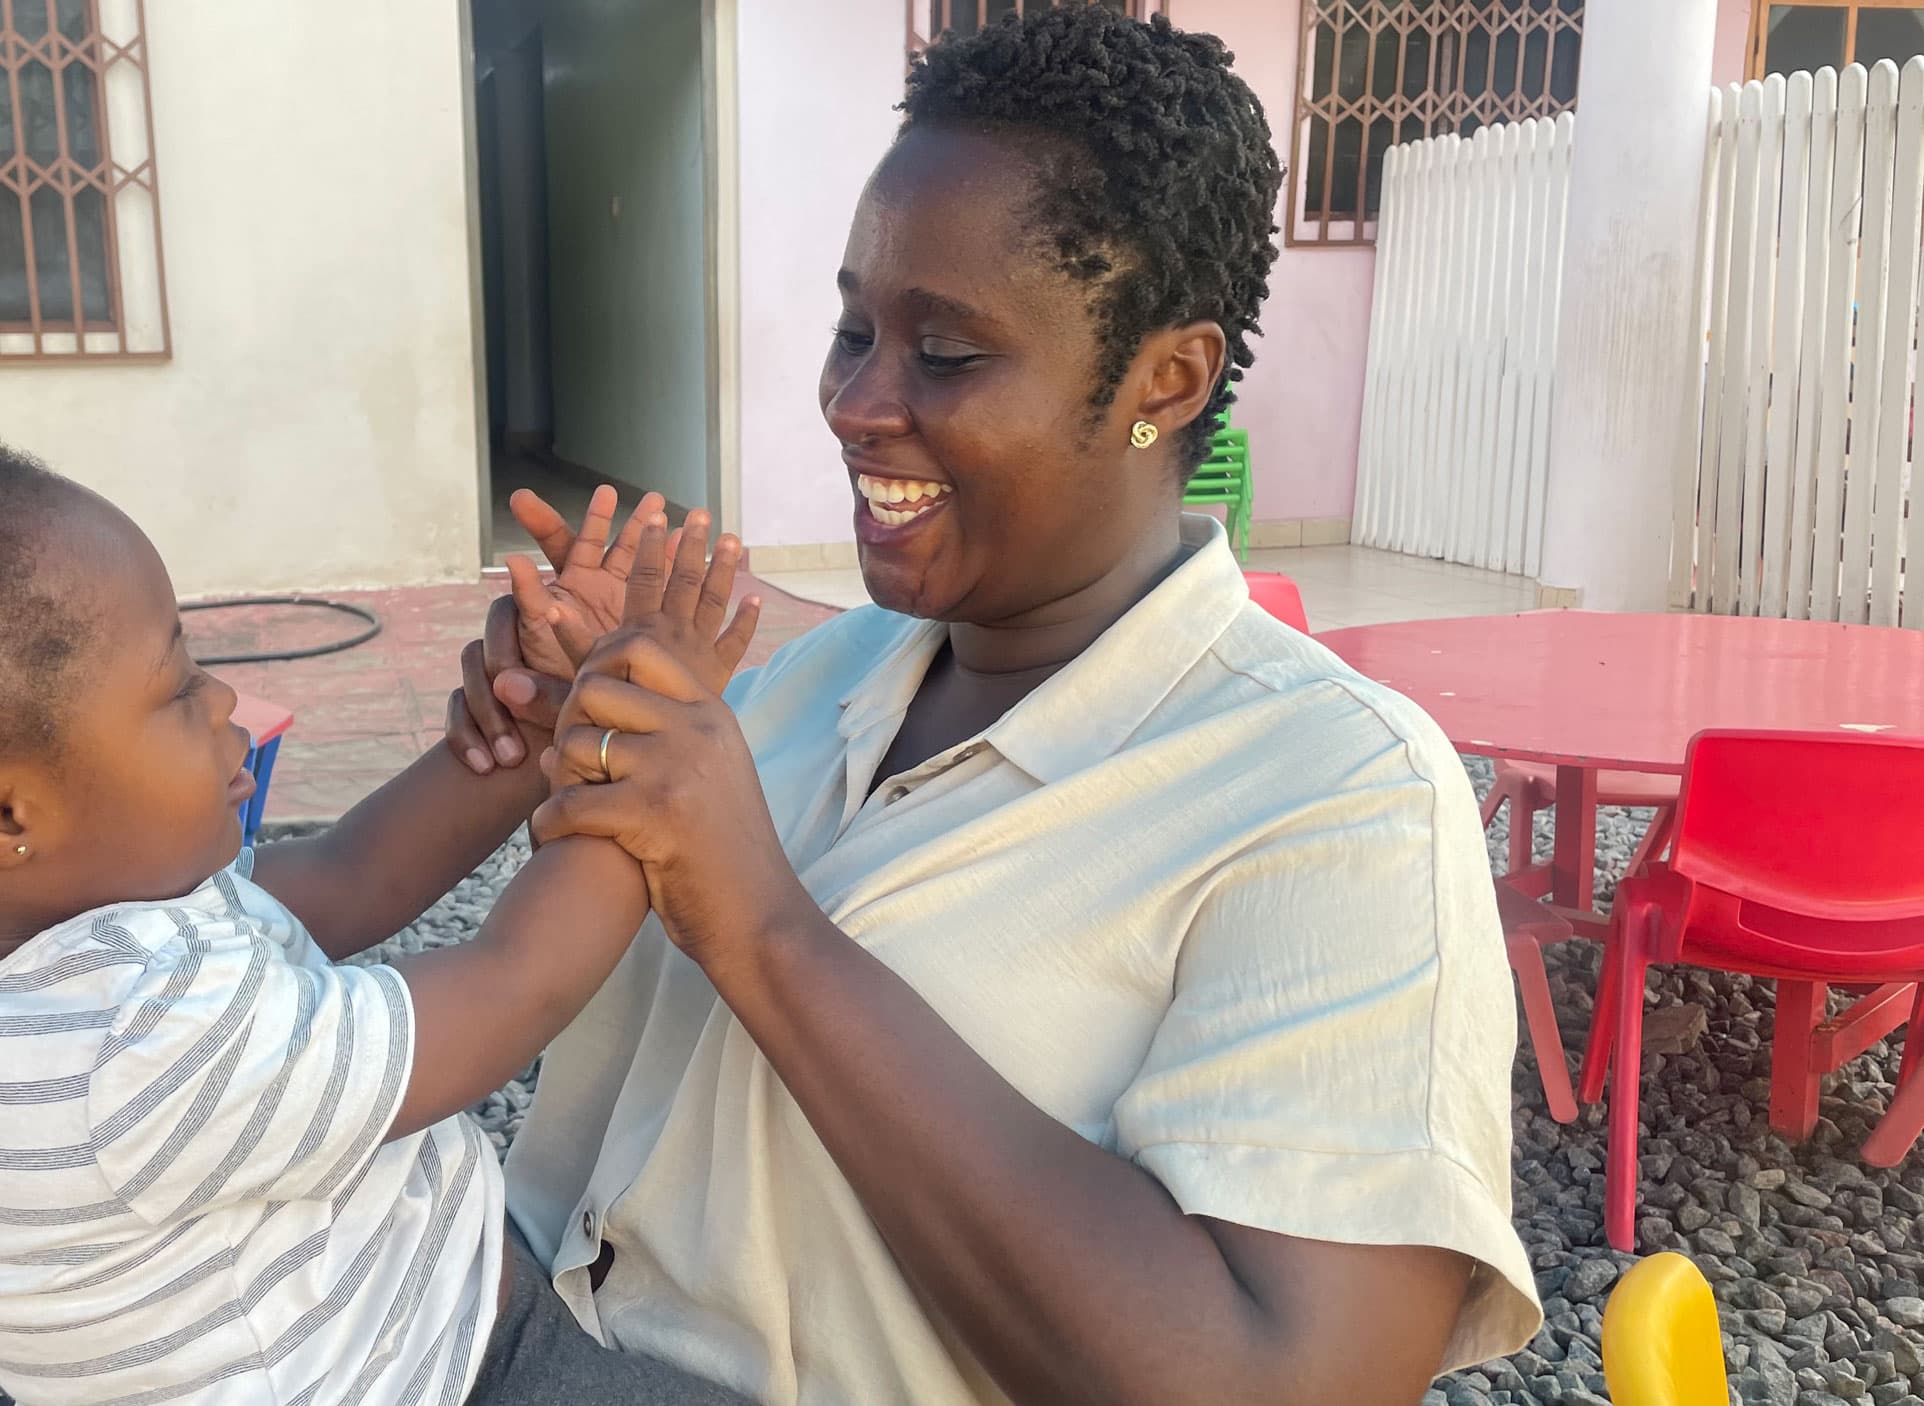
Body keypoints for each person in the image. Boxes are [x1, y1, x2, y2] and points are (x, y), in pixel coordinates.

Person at [448, 10, 1543, 1405]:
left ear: (1168, 379)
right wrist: (556, 749)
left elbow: (1282, 1376)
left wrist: (765, 922)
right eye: (853, 328)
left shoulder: (1338, 803)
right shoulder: (810, 684)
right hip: (539, 1336)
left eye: (945, 355)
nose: (853, 401)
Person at [0, 423, 759, 1406]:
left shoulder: (15, 945)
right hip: (457, 1372)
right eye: (174, 684)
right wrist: (649, 726)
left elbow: (351, 875)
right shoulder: (140, 1046)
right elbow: (516, 983)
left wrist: (536, 724)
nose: (224, 706)